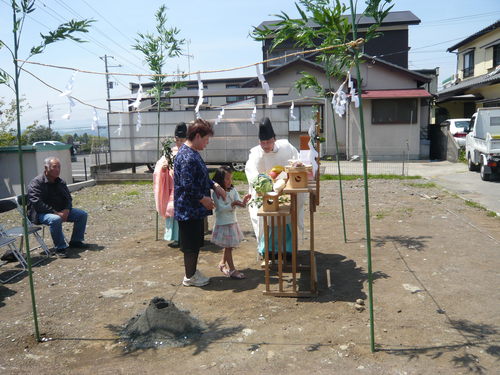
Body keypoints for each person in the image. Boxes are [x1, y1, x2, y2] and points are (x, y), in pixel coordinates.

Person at [174, 119, 226, 287]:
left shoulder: (192, 152)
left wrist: (214, 185)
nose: (206, 143)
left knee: (195, 242)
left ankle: (192, 272)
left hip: (193, 208)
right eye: (205, 140)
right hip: (188, 209)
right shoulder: (187, 156)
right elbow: (187, 185)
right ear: (197, 136)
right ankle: (189, 277)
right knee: (190, 245)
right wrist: (203, 199)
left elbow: (201, 177)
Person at [245, 117, 304, 257]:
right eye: (262, 142)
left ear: (274, 139)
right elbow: (251, 170)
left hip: (285, 189)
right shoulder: (255, 153)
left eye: (268, 142)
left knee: (287, 217)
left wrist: (297, 164)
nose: (265, 145)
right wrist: (262, 183)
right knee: (265, 219)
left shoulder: (286, 147)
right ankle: (267, 249)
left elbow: (297, 160)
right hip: (265, 193)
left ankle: (288, 250)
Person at [27, 157, 88, 258]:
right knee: (55, 219)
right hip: (40, 214)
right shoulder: (36, 183)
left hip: (60, 211)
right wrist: (55, 213)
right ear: (46, 168)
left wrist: (67, 210)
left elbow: (68, 198)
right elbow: (37, 203)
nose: (58, 170)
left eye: (59, 167)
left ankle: (76, 241)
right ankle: (60, 248)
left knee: (82, 214)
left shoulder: (60, 182)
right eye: (54, 167)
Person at [211, 166, 251, 279]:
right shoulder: (216, 193)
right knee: (228, 247)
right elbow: (221, 209)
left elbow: (239, 203)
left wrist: (244, 201)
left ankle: (222, 264)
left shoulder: (233, 190)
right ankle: (232, 270)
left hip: (232, 222)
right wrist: (232, 204)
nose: (230, 181)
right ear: (219, 180)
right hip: (223, 224)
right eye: (227, 179)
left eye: (231, 178)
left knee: (228, 246)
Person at [153, 122, 187, 248]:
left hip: (182, 189)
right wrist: (164, 169)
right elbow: (158, 169)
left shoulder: (188, 153)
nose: (179, 142)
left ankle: (183, 238)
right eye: (177, 139)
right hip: (171, 188)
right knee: (171, 212)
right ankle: (175, 237)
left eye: (182, 140)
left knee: (180, 213)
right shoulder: (170, 154)